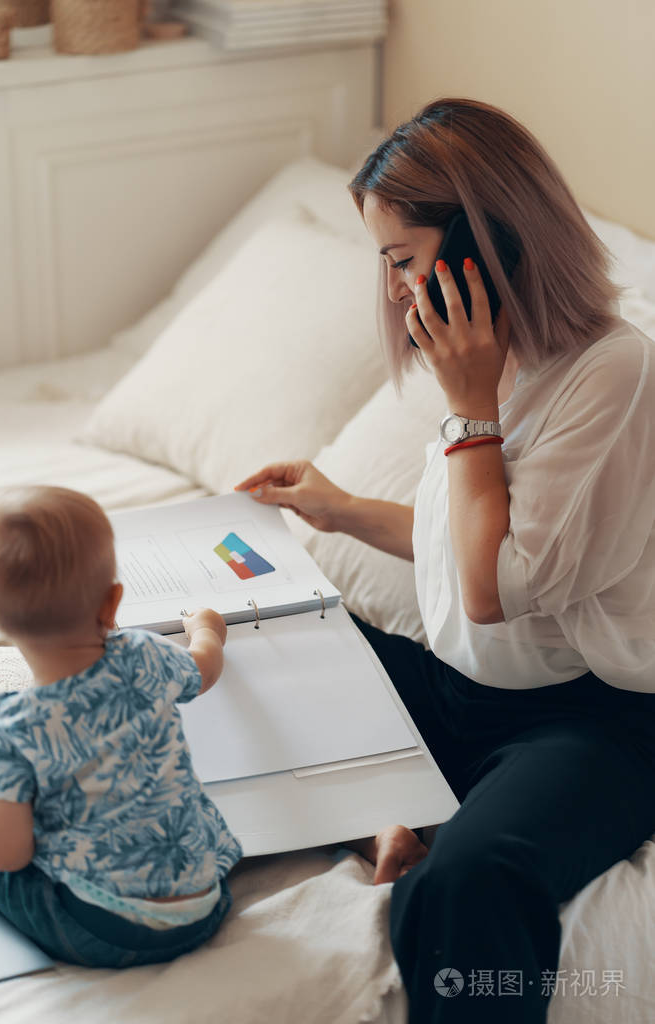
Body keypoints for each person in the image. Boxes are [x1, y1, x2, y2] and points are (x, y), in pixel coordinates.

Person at [235, 98, 655, 1023]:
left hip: (587, 721)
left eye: (403, 262)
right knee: (255, 641)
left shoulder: (612, 372)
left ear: (485, 246)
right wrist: (337, 508)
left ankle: (416, 819)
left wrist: (467, 406)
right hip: (465, 691)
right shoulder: (497, 359)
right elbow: (465, 535)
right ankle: (398, 806)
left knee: (468, 884)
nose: (393, 292)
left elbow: (492, 585)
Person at [0, 485, 242, 968]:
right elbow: (204, 670)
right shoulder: (146, 656)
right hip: (203, 900)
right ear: (113, 602)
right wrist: (207, 630)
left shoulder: (10, 729)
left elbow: (6, 857)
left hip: (100, 929)